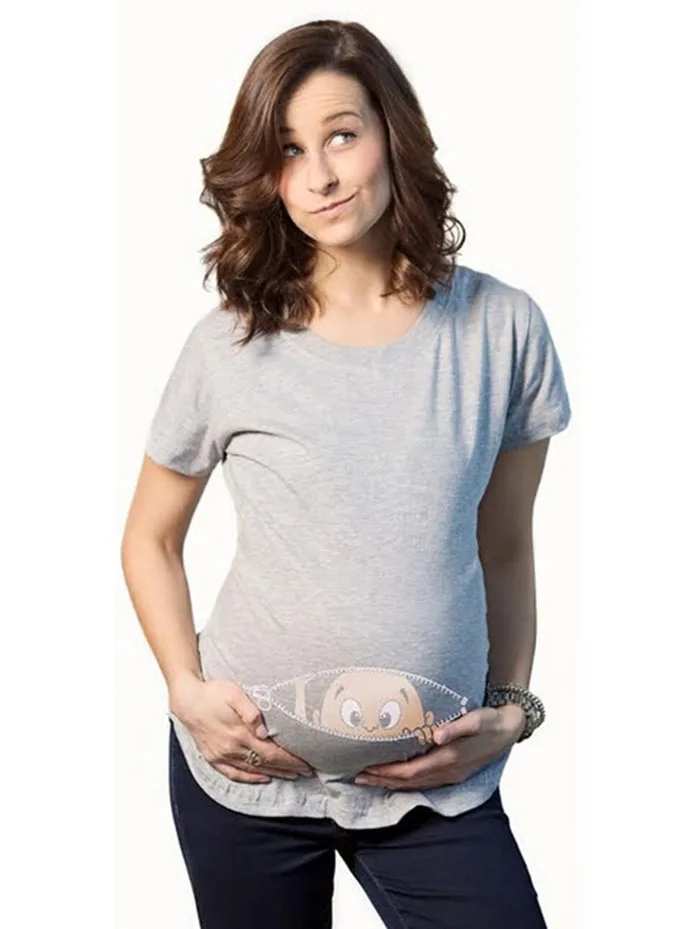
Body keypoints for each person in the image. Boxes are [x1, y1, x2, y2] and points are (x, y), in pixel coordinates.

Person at [121, 18, 572, 929]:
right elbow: (150, 538)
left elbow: (507, 545)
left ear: (392, 134)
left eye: (341, 135)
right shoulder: (228, 344)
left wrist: (511, 706)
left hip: (436, 784)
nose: (319, 176)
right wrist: (185, 690)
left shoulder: (502, 329)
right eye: (288, 150)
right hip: (246, 776)